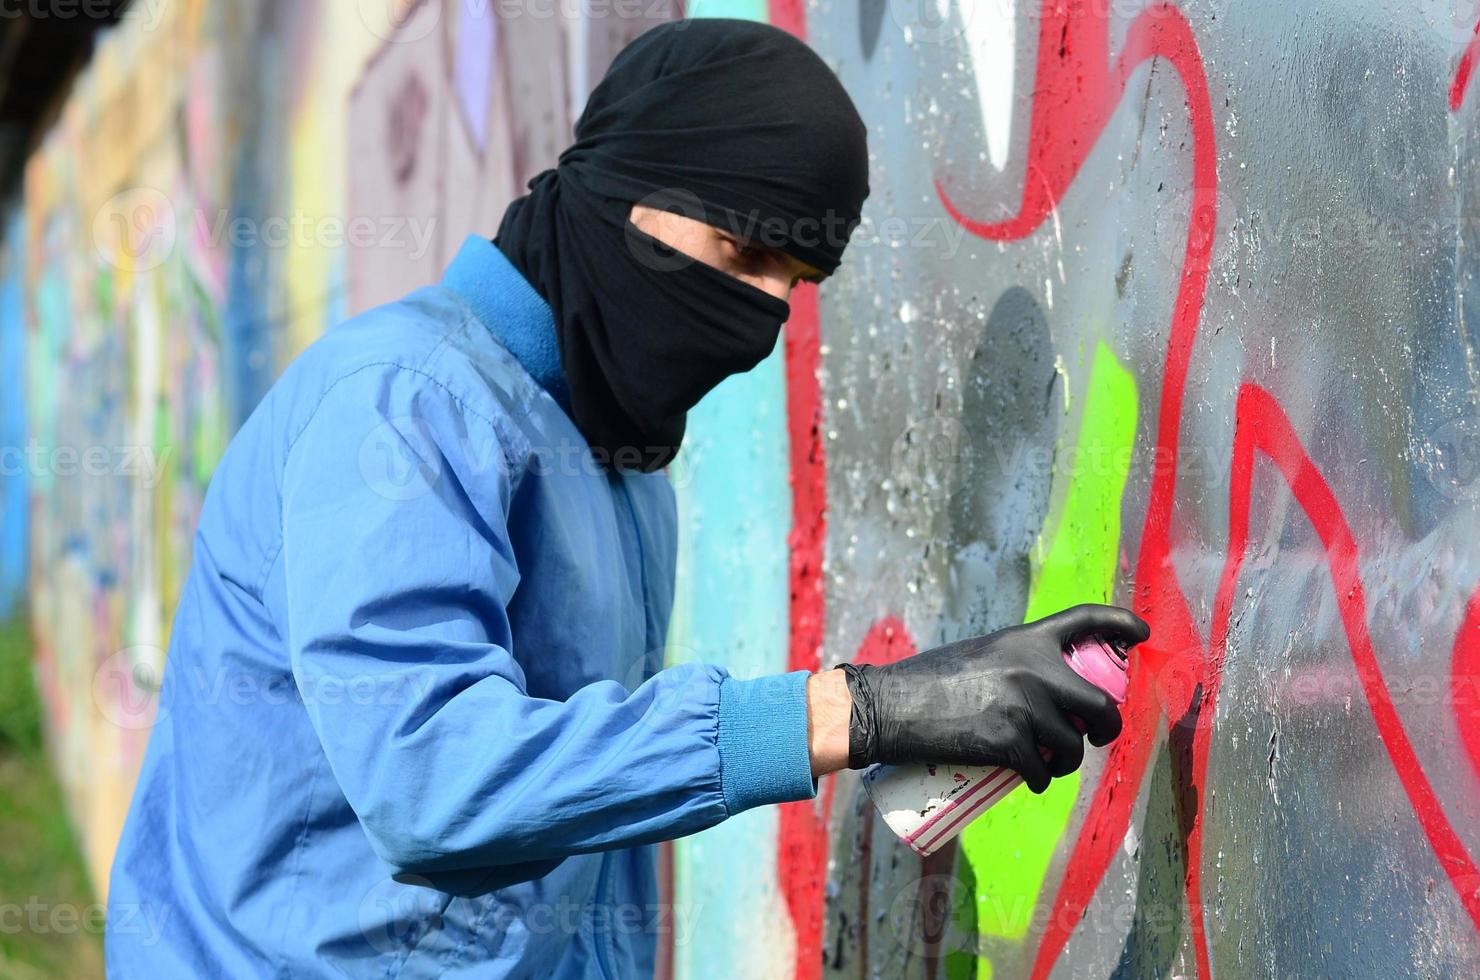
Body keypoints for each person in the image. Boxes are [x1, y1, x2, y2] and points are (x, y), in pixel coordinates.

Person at [104, 18, 1149, 977]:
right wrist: (857, 708)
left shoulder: (622, 468)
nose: (758, 318)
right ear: (621, 194)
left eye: (793, 281)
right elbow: (430, 780)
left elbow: (583, 845)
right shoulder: (405, 406)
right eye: (739, 254)